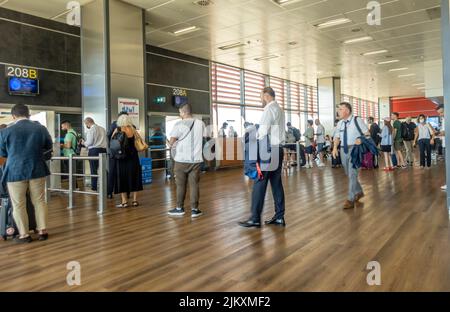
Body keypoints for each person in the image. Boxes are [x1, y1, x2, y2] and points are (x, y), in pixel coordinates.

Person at [0, 104, 52, 243]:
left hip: (14, 171)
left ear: (13, 116)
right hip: (37, 168)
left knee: (18, 204)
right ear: (28, 114)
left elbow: (3, 153)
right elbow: (48, 146)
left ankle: (24, 234)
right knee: (39, 201)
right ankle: (42, 231)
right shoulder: (40, 128)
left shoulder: (5, 131)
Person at [239, 87, 286, 228]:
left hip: (268, 151)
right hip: (278, 150)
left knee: (259, 182)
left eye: (261, 97)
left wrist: (253, 131)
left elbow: (263, 132)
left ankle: (255, 218)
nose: (261, 99)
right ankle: (279, 217)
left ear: (266, 96)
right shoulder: (280, 109)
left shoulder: (269, 109)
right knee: (276, 184)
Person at [167, 104, 205, 218]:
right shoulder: (201, 123)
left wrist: (170, 143)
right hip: (196, 160)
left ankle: (179, 208)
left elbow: (172, 142)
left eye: (180, 112)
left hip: (181, 160)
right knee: (194, 185)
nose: (180, 115)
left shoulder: (179, 124)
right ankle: (195, 210)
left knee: (180, 185)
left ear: (184, 112)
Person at [332, 102, 369, 209]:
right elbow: (337, 137)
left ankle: (350, 199)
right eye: (338, 109)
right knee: (348, 173)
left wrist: (360, 139)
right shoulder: (340, 123)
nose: (338, 111)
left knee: (352, 174)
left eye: (340, 109)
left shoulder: (357, 120)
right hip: (343, 150)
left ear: (347, 111)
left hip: (355, 149)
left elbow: (367, 134)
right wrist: (335, 148)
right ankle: (359, 192)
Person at [113, 115, 143, 208]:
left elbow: (112, 141)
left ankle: (124, 201)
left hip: (121, 157)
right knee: (134, 177)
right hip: (133, 157)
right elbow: (139, 140)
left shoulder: (118, 129)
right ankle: (134, 201)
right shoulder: (133, 130)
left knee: (121, 178)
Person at [107, 111, 129, 198]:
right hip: (125, 154)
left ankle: (109, 193)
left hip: (114, 152)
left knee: (112, 172)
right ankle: (126, 192)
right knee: (124, 173)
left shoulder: (114, 125)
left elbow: (108, 137)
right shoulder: (130, 126)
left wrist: (110, 149)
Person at [82, 117, 107, 192]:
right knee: (103, 169)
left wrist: (84, 143)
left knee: (93, 169)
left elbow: (89, 142)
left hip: (94, 150)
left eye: (86, 124)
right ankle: (105, 185)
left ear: (87, 123)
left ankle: (94, 187)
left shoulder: (91, 130)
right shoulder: (102, 129)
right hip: (103, 150)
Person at [437, 104, 446, 190]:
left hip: (447, 145)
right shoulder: (443, 119)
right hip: (444, 145)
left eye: (441, 112)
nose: (440, 114)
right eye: (439, 113)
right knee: (446, 166)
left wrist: (436, 133)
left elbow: (444, 132)